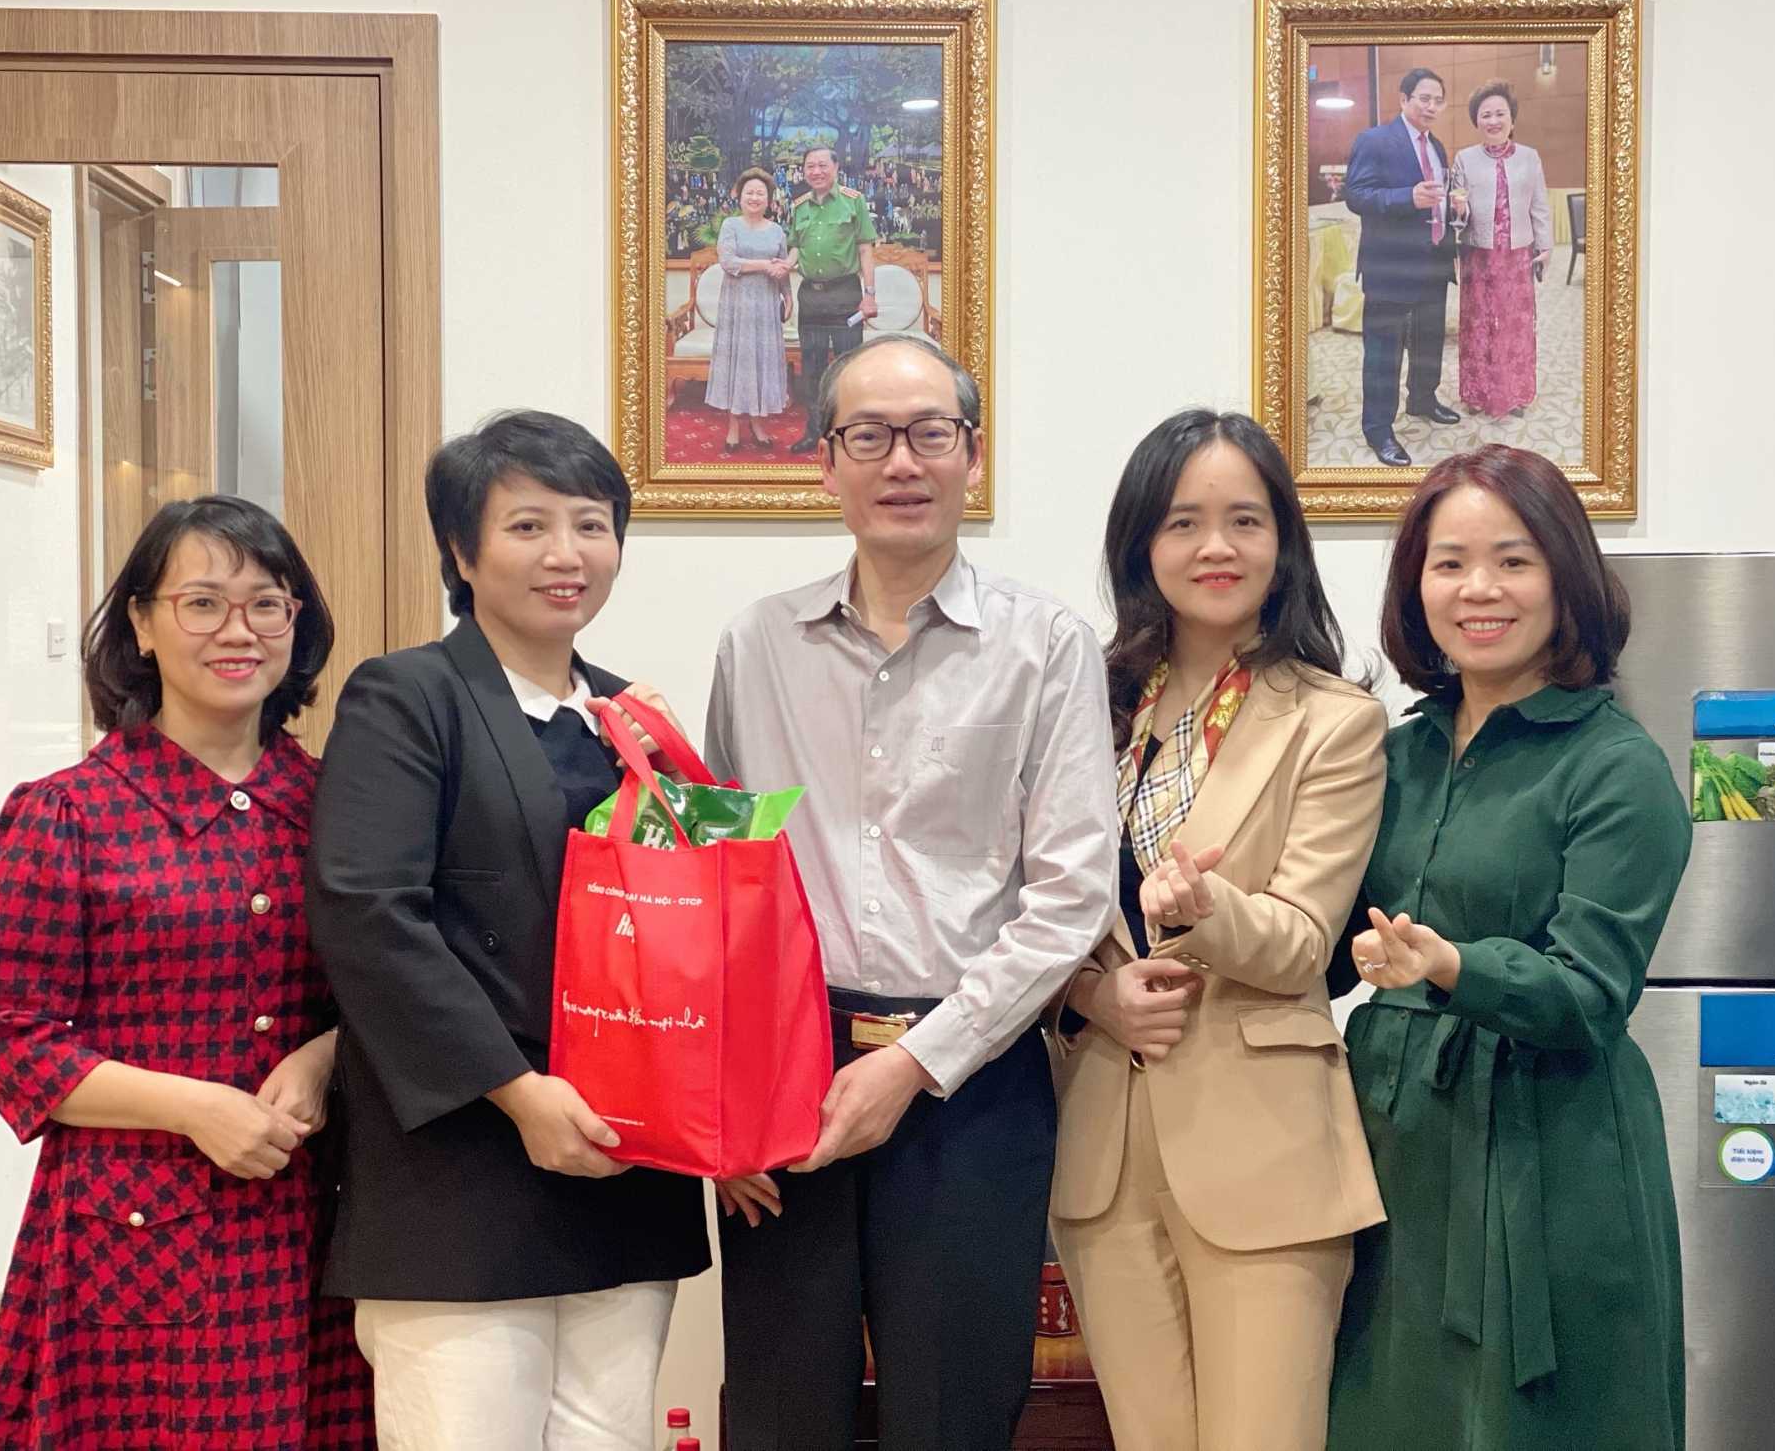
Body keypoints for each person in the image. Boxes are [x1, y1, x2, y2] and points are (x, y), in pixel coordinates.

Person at [705, 335, 1119, 1451]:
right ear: (824, 463)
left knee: (952, 1417)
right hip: (785, 1076)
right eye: (869, 435)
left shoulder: (1046, 646)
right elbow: (720, 883)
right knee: (780, 1413)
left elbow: (1072, 894)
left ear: (971, 456)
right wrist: (724, 1100)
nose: (902, 460)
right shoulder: (757, 645)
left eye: (931, 432)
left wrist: (915, 1062)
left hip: (970, 1080)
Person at [306, 411, 710, 1449]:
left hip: (623, 1169)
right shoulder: (408, 696)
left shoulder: (628, 717)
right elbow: (370, 914)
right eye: (528, 525)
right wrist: (520, 1093)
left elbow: (680, 926)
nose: (565, 553)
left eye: (591, 524)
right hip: (464, 1169)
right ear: (461, 549)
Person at [0, 495, 371, 1448]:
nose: (239, 631)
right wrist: (193, 1107)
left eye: (267, 604)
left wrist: (325, 1056)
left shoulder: (342, 807)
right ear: (141, 623)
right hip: (133, 1230)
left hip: (321, 1217)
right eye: (203, 603)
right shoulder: (65, 814)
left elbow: (399, 983)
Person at [1327, 445, 1689, 1450]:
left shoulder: (1614, 764)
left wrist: (1451, 965)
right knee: (1385, 1414)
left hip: (1551, 1148)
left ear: (1564, 578)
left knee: (1539, 1423)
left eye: (1512, 560)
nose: (1477, 589)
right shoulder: (1392, 752)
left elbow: (1590, 993)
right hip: (1393, 1144)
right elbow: (1323, 941)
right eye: (1448, 563)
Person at [1049, 410, 1387, 1451]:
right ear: (1141, 544)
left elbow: (1302, 943)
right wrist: (1089, 996)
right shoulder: (1087, 706)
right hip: (1103, 1147)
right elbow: (1032, 906)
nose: (1215, 547)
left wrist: (1206, 909)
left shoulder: (1335, 720)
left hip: (1265, 1150)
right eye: (1183, 521)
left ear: (1282, 542)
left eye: (1245, 520)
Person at [1345, 67, 1463, 467]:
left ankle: (1423, 399)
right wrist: (1406, 197)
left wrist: (1452, 209)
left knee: (1429, 341)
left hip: (1433, 261)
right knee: (1384, 351)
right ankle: (1378, 428)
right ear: (1404, 99)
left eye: (1438, 100)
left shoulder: (1437, 147)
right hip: (1390, 267)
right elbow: (1357, 195)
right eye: (1424, 98)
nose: (1431, 107)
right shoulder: (1375, 140)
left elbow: (1437, 196)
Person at [1449, 81, 1553, 420]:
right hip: (1478, 255)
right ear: (1476, 121)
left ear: (1511, 119)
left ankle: (1515, 393)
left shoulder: (1529, 157)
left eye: (1499, 114)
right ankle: (1477, 393)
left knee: (1514, 324)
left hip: (1517, 255)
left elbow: (1540, 205)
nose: (1493, 121)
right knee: (1478, 324)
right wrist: (1459, 209)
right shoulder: (1464, 159)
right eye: (1485, 115)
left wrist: (1545, 245)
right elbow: (1458, 212)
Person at [783, 145, 879, 453]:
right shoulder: (799, 206)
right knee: (811, 369)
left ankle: (851, 433)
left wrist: (870, 295)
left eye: (823, 165)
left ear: (836, 168)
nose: (816, 171)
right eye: (810, 166)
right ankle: (815, 432)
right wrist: (785, 264)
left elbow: (865, 249)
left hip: (845, 294)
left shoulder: (854, 201)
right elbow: (796, 246)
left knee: (849, 368)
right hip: (811, 297)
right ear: (804, 171)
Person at [704, 167, 793, 456]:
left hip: (766, 306)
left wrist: (788, 295)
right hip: (737, 306)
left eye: (760, 193)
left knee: (761, 362)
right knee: (738, 363)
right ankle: (733, 426)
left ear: (769, 199)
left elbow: (782, 267)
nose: (754, 198)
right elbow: (728, 262)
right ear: (740, 197)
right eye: (749, 193)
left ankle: (757, 423)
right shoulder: (731, 225)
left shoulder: (777, 230)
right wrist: (764, 265)